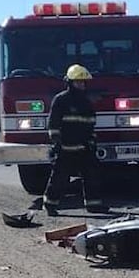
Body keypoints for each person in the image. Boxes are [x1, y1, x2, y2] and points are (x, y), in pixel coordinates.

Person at [43, 64, 108, 216]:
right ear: (70, 82)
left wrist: (91, 142)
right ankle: (50, 205)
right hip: (65, 147)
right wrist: (56, 141)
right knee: (59, 177)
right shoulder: (61, 100)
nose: (81, 85)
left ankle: (94, 205)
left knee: (91, 176)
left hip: (84, 147)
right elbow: (53, 123)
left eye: (83, 82)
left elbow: (90, 124)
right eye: (78, 82)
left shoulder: (86, 102)